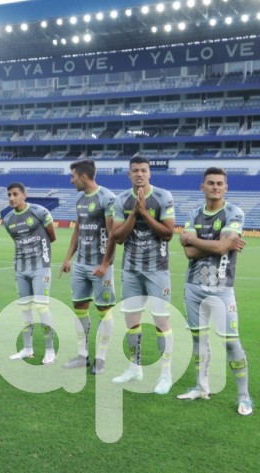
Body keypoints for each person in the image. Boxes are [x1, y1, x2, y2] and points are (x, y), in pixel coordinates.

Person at [177, 167, 253, 416]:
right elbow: (191, 253)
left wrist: (193, 239)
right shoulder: (193, 213)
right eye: (211, 183)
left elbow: (218, 248)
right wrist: (221, 243)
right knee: (198, 341)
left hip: (222, 288)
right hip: (193, 286)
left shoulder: (234, 213)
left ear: (226, 187)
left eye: (220, 183)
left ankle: (244, 396)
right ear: (202, 187)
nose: (215, 187)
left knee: (231, 342)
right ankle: (201, 387)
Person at [110, 156, 176, 395]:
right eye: (135, 170)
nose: (139, 174)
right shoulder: (121, 200)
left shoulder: (163, 196)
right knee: (131, 321)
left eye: (143, 170)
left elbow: (168, 233)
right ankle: (134, 368)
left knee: (161, 321)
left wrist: (145, 214)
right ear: (129, 174)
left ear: (150, 173)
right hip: (131, 269)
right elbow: (118, 237)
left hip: (157, 269)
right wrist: (133, 214)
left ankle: (166, 375)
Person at [60, 159, 117, 375]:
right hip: (81, 264)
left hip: (100, 266)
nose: (71, 180)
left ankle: (101, 358)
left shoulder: (107, 198)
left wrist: (105, 264)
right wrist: (68, 258)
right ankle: (82, 356)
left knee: (104, 310)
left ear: (84, 176)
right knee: (79, 308)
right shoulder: (80, 199)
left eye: (73, 176)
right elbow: (78, 230)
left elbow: (113, 235)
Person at [2, 183, 57, 364]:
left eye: (15, 194)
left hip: (40, 266)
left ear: (24, 195)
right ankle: (27, 348)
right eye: (9, 195)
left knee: (41, 307)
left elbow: (52, 236)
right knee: (25, 308)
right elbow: (18, 240)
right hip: (20, 268)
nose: (11, 198)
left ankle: (50, 350)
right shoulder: (8, 219)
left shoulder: (39, 212)